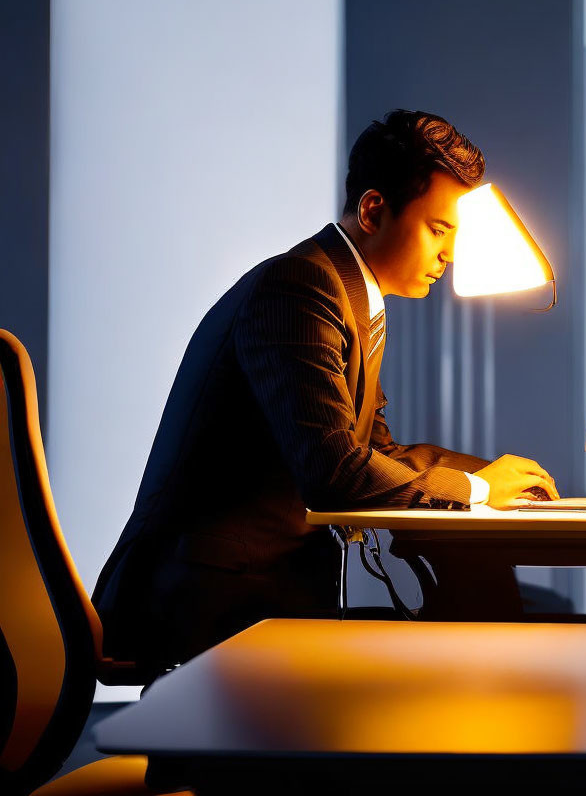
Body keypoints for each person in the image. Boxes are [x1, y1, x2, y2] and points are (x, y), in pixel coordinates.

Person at [93, 109, 559, 671]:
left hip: (260, 591)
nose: (450, 255)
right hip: (208, 600)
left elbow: (375, 451)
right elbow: (333, 470)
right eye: (439, 229)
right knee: (454, 661)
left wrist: (488, 477)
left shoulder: (346, 293)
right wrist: (474, 491)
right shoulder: (300, 287)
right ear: (372, 210)